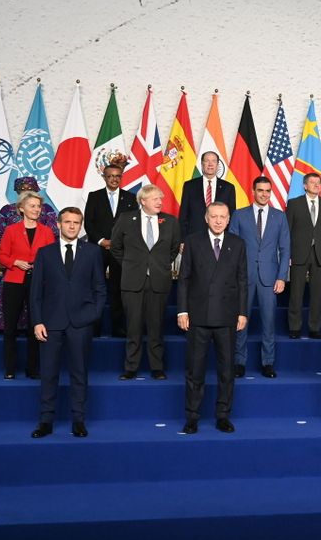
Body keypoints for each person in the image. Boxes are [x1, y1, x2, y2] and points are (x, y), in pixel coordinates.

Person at [29, 206, 105, 438]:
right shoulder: (45, 253)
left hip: (81, 323)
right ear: (59, 224)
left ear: (80, 226)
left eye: (76, 222)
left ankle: (78, 421)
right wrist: (37, 321)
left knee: (79, 374)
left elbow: (100, 288)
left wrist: (92, 315)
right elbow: (35, 293)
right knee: (48, 374)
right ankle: (45, 421)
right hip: (50, 324)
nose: (72, 226)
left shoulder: (92, 252)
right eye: (68, 222)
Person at [176, 201, 249, 433]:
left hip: (227, 317)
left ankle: (223, 416)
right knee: (195, 371)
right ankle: (192, 417)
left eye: (223, 217)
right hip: (198, 316)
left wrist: (242, 312)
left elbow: (242, 280)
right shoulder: (193, 241)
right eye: (214, 216)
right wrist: (182, 310)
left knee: (226, 371)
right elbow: (184, 278)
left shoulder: (238, 243)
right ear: (206, 218)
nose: (218, 221)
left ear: (228, 220)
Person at [110, 184, 179, 380]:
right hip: (132, 281)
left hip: (159, 280)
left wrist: (159, 265)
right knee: (133, 327)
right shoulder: (126, 219)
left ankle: (157, 367)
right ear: (143, 201)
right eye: (155, 198)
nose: (160, 202)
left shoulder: (170, 221)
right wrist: (131, 265)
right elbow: (115, 247)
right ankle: (131, 367)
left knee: (156, 327)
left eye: (160, 198)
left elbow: (174, 248)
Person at [230, 175, 289, 378]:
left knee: (269, 323)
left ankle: (268, 363)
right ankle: (239, 362)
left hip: (270, 278)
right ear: (253, 191)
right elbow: (232, 248)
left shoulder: (280, 217)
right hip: (243, 277)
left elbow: (285, 249)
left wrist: (281, 277)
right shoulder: (239, 215)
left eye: (267, 191)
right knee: (240, 321)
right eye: (260, 190)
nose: (264, 194)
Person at [0, 177, 58, 331]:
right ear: (16, 191)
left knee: (36, 306)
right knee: (11, 307)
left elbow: (54, 236)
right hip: (14, 265)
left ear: (37, 190)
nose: (26, 191)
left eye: (30, 188)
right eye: (22, 189)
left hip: (39, 266)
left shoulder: (46, 209)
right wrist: (2, 259)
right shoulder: (6, 210)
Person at [0, 191, 54, 379]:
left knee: (35, 326)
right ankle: (10, 369)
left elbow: (52, 257)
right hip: (14, 281)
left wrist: (40, 265)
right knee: (10, 327)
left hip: (38, 282)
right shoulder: (11, 230)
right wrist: (15, 262)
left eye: (39, 206)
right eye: (32, 206)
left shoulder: (47, 232)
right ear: (21, 208)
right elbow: (2, 256)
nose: (37, 209)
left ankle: (32, 369)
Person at [83, 155, 136, 336]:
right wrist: (101, 241)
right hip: (97, 249)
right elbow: (88, 223)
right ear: (104, 177)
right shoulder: (94, 196)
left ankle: (117, 328)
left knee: (118, 290)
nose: (114, 179)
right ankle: (94, 327)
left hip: (121, 251)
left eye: (117, 176)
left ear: (121, 177)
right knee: (95, 288)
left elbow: (133, 224)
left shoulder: (131, 197)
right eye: (110, 176)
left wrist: (118, 243)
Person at [285, 170, 321, 339]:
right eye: (312, 183)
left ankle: (315, 329)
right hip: (298, 254)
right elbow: (287, 231)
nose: (316, 185)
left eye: (318, 183)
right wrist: (287, 255)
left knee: (317, 295)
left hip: (320, 255)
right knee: (296, 293)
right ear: (304, 185)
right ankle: (294, 328)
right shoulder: (294, 204)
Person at [179, 151, 237, 240]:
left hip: (220, 237)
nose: (210, 164)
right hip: (194, 237)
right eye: (207, 161)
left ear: (218, 165)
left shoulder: (228, 187)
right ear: (202, 164)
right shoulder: (189, 186)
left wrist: (228, 239)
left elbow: (231, 216)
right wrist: (183, 240)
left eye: (213, 161)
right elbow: (183, 215)